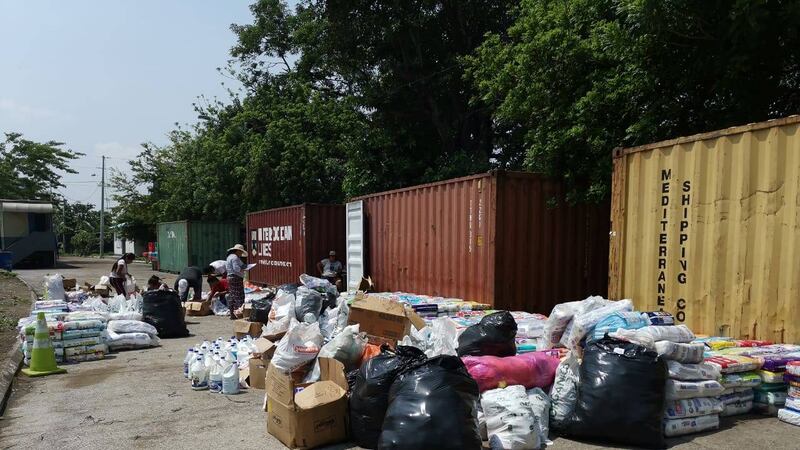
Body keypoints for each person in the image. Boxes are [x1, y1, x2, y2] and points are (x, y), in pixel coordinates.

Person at [225, 244, 247, 320]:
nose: (241, 254)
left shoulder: (230, 257)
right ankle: (240, 313)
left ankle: (232, 313)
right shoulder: (235, 258)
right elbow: (236, 269)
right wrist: (243, 269)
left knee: (232, 295)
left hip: (231, 278)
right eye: (241, 252)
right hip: (236, 278)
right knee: (239, 295)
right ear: (238, 251)